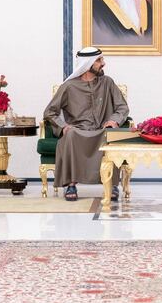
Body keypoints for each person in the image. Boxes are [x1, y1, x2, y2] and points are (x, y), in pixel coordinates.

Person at [43, 47, 129, 201]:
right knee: (70, 135)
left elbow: (122, 107)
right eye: (99, 60)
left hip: (102, 130)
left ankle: (112, 184)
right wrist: (63, 126)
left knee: (111, 135)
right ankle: (71, 184)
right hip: (78, 131)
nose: (103, 63)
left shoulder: (107, 83)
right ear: (87, 64)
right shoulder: (69, 86)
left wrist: (114, 120)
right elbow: (50, 112)